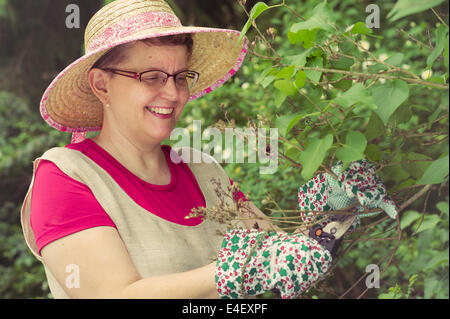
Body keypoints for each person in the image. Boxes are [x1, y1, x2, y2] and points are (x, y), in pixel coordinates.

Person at [20, 0, 356, 299]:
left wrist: (333, 217)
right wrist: (231, 272)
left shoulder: (203, 170)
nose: (173, 94)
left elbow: (283, 257)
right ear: (102, 85)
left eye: (180, 77)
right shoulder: (66, 177)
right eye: (152, 77)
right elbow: (113, 294)